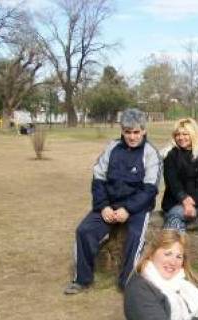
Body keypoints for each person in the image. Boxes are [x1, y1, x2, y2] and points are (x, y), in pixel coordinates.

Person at [64, 108, 162, 294]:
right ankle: (82, 280)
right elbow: (98, 178)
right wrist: (103, 207)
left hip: (136, 209)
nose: (132, 137)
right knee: (84, 231)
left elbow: (150, 189)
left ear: (144, 131)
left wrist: (128, 210)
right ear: (122, 131)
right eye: (127, 132)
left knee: (134, 238)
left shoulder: (151, 153)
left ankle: (127, 283)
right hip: (109, 205)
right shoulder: (112, 147)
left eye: (136, 132)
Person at [162, 118, 198, 232]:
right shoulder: (170, 155)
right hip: (175, 202)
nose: (181, 138)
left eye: (185, 134)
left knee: (176, 216)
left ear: (194, 134)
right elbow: (172, 182)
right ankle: (173, 249)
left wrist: (194, 201)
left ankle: (170, 248)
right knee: (176, 215)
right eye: (177, 134)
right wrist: (185, 201)